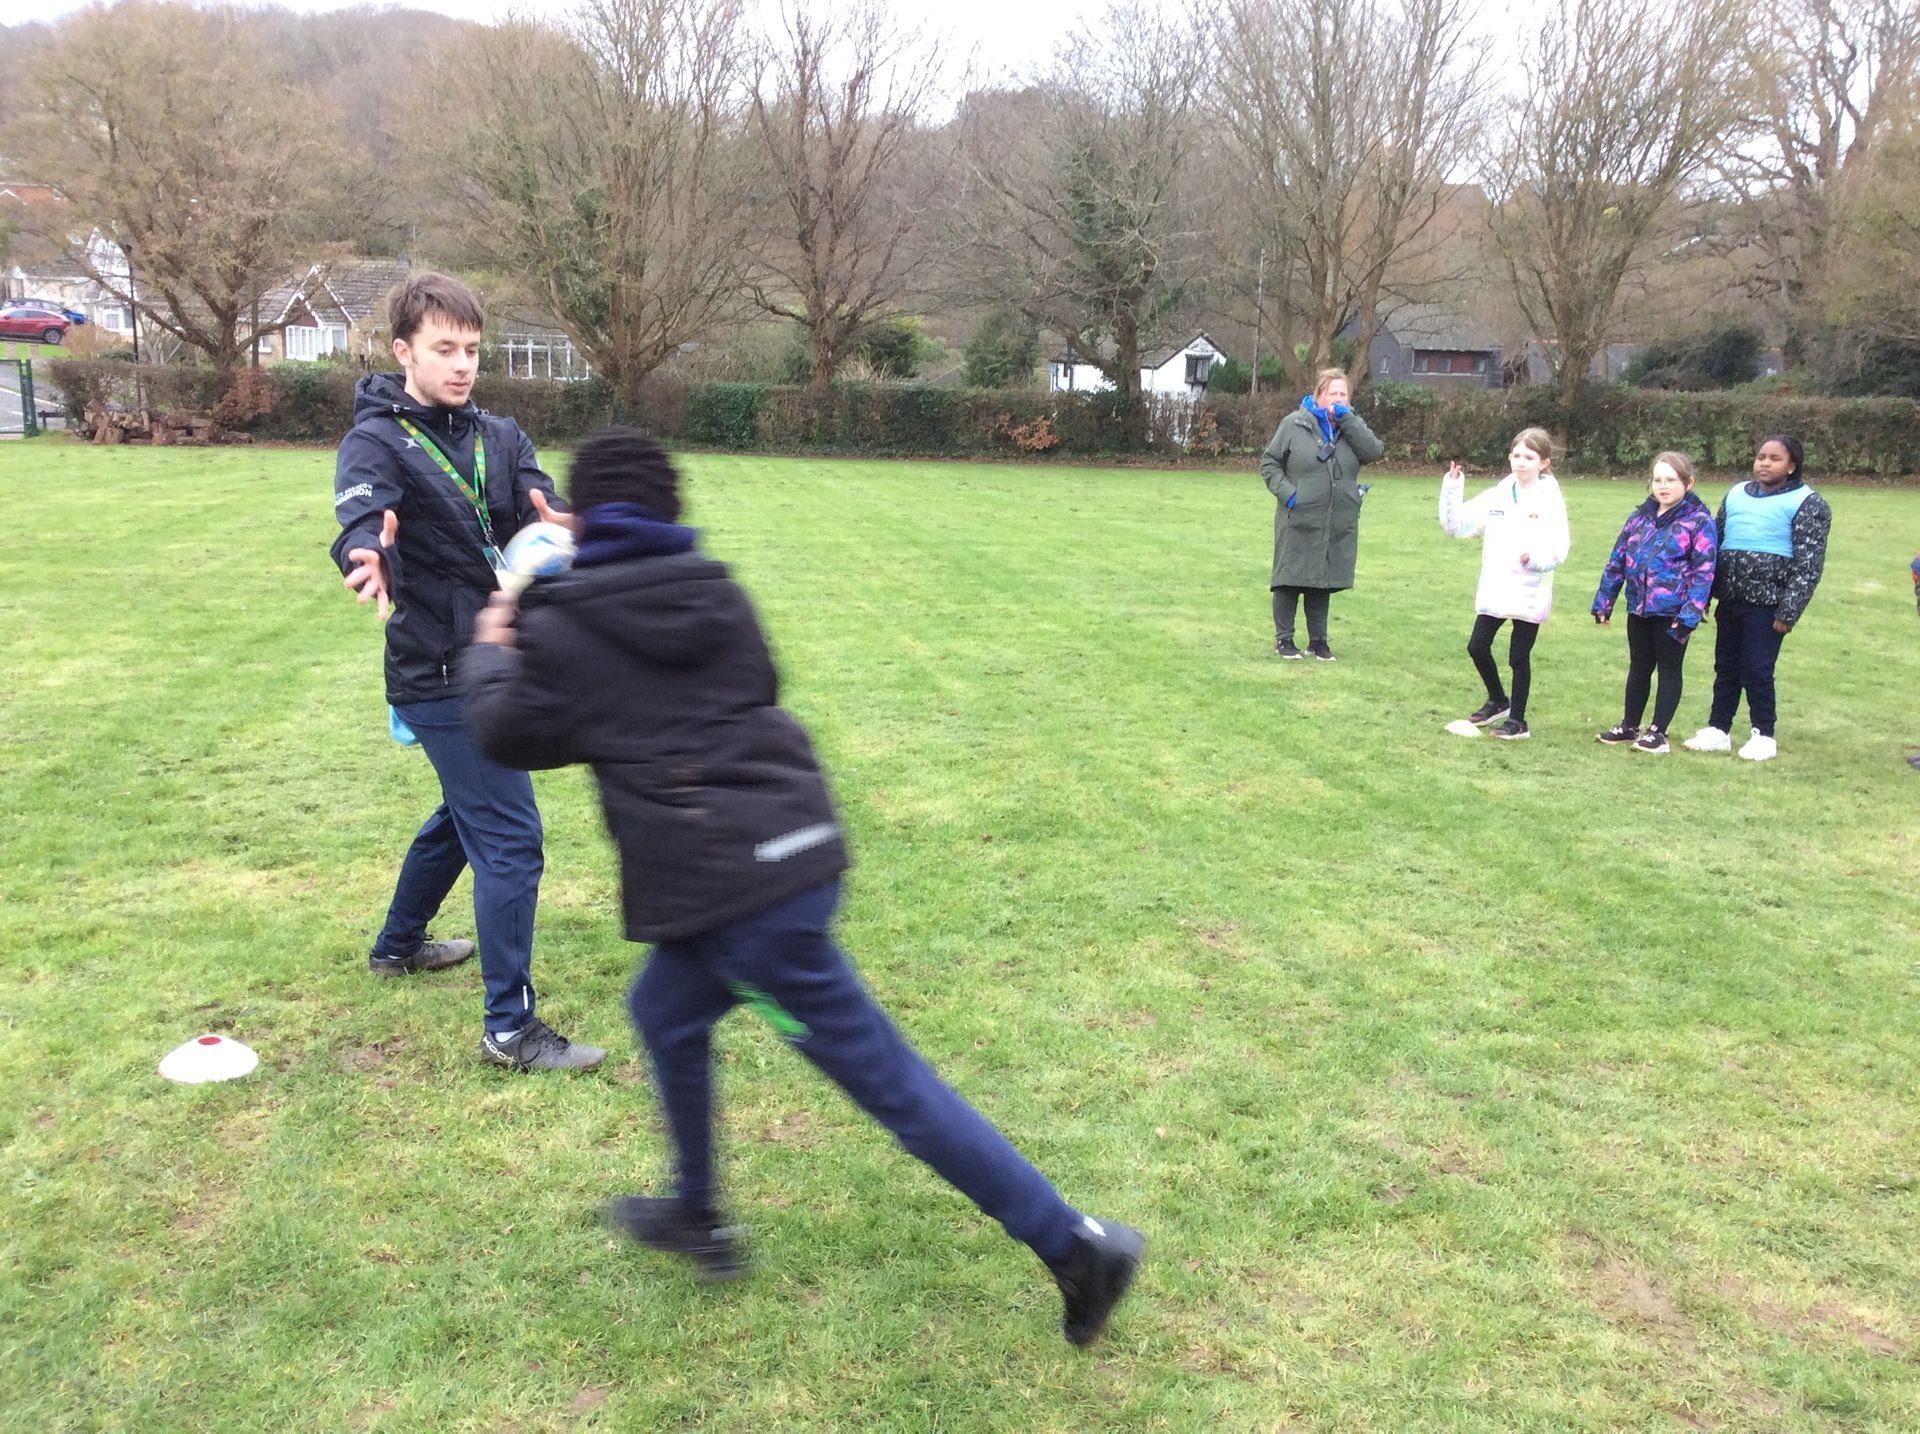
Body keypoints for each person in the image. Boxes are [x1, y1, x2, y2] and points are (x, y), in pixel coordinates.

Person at [461, 428, 1145, 1347]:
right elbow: (755, 683)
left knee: (888, 1082)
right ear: (668, 514)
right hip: (792, 854)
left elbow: (507, 734)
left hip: (745, 905)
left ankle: (1074, 1247)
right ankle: (699, 1213)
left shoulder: (561, 626)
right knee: (665, 1011)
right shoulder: (716, 590)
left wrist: (495, 633)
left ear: (577, 520)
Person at [330, 271, 604, 1072]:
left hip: (493, 659)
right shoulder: (377, 441)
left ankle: (398, 945)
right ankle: (508, 1030)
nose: (460, 365)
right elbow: (363, 510)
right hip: (436, 666)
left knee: (465, 812)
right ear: (403, 350)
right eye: (444, 349)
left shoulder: (498, 433)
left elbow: (532, 499)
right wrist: (364, 549)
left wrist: (555, 516)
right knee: (511, 838)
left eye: (472, 350)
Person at [1680, 435, 1831, 762]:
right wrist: (1703, 595)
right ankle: (1718, 729)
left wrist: (1788, 611)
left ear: (1791, 466)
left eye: (1775, 458)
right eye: (1761, 456)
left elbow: (1809, 565)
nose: (1764, 463)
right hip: (1731, 599)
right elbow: (1714, 547)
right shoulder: (1735, 494)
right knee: (1726, 666)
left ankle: (1764, 733)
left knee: (1757, 669)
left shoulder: (1808, 503)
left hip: (1769, 605)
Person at [1437, 428, 1572, 741]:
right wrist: (1452, 488)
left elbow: (1559, 546)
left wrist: (1535, 560)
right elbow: (1456, 525)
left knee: (1518, 657)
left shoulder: (1549, 498)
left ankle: (1518, 721)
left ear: (1544, 463)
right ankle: (1498, 700)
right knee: (1477, 646)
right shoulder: (1500, 493)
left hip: (1530, 589)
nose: (1521, 462)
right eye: (1516, 455)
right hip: (1497, 586)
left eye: (1529, 457)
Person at [1591, 452, 1718, 754]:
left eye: (1671, 480)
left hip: (1674, 611)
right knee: (1639, 666)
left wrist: (1691, 611)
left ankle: (1658, 732)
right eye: (1658, 480)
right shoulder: (1639, 517)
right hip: (1639, 607)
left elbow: (1705, 571)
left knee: (1669, 668)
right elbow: (1617, 560)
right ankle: (1629, 724)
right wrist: (1604, 600)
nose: (1663, 486)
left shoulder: (1698, 522)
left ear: (1688, 483)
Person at [1260, 367, 1384, 661]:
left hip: (1336, 518)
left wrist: (1349, 419)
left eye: (1343, 394)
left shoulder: (1351, 428)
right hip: (1298, 515)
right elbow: (1269, 463)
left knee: (1322, 579)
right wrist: (1289, 495)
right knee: (1290, 577)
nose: (1338, 399)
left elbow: (1373, 451)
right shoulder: (1294, 424)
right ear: (1319, 395)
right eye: (1333, 394)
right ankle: (1284, 640)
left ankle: (1318, 642)